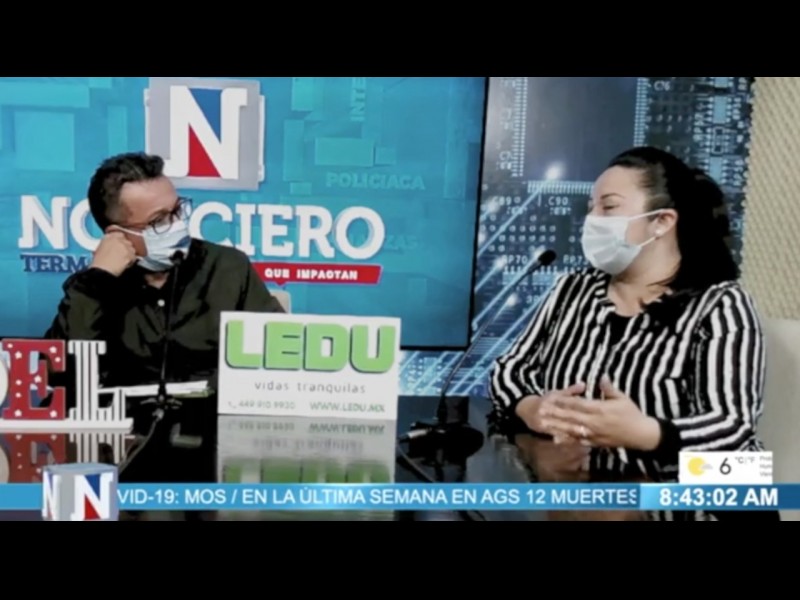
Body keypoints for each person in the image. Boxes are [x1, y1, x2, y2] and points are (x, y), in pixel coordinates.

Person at [489, 146, 774, 521]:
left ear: (662, 221)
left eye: (608, 207)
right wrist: (533, 409)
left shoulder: (721, 304)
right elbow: (508, 370)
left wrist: (648, 434)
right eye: (591, 208)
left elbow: (732, 428)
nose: (592, 220)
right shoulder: (571, 289)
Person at [45, 152, 284, 388]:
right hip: (126, 412)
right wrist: (97, 282)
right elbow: (58, 376)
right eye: (158, 220)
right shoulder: (91, 289)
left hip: (211, 412)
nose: (177, 224)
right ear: (118, 234)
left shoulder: (227, 267)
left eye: (178, 210)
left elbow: (281, 359)